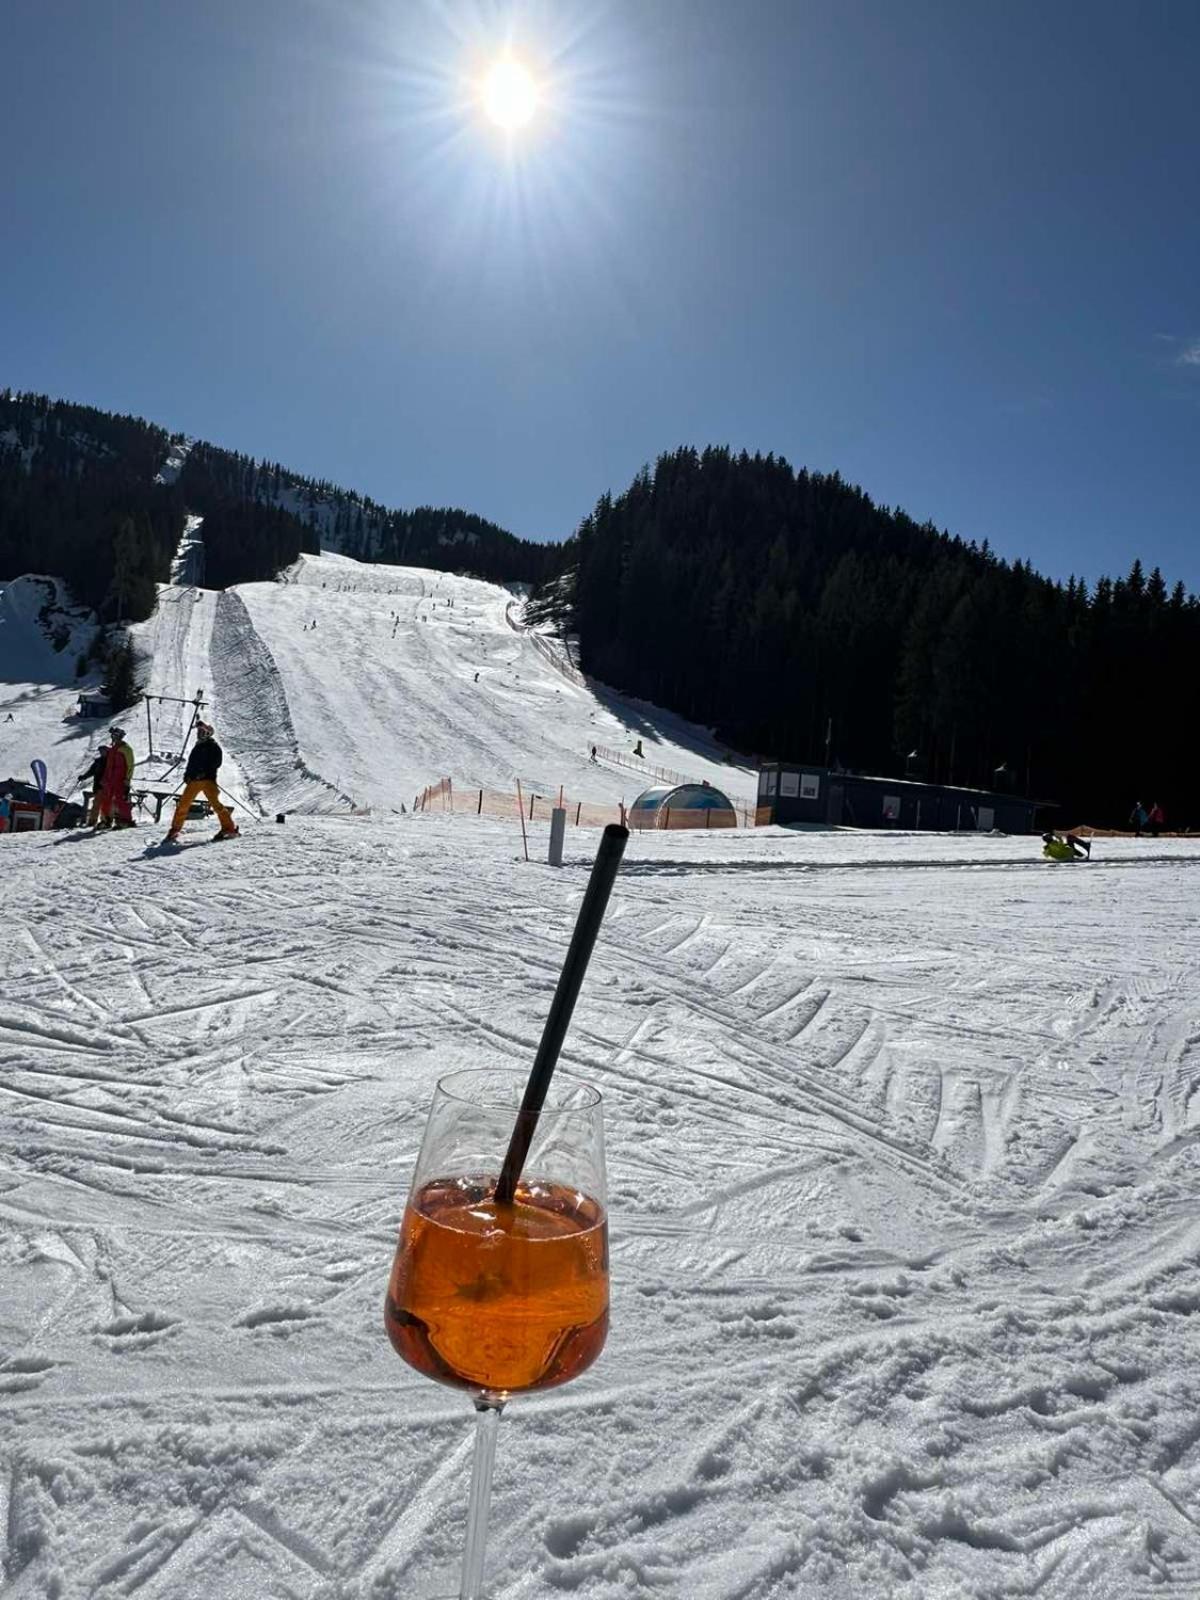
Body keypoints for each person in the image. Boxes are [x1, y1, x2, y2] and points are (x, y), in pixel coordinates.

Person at [165, 722, 239, 842]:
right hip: (194, 781)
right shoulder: (197, 746)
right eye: (198, 732)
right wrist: (187, 775)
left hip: (208, 780)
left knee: (216, 805)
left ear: (208, 733)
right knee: (183, 805)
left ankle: (229, 828)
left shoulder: (213, 746)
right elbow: (191, 763)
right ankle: (175, 830)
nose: (199, 734)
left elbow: (217, 763)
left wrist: (204, 772)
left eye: (202, 732)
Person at [97, 727, 136, 828]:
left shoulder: (126, 749)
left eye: (116, 736)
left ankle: (125, 820)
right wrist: (104, 778)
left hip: (120, 779)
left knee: (121, 799)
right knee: (106, 799)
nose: (114, 738)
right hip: (110, 779)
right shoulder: (113, 749)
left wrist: (127, 779)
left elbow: (130, 765)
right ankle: (106, 819)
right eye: (113, 736)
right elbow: (108, 766)